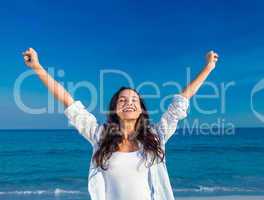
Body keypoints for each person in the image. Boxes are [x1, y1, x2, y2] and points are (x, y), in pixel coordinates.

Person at [22, 47, 218, 200]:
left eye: (134, 100)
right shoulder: (99, 136)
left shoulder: (156, 136)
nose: (129, 103)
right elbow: (70, 103)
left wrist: (208, 67)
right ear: (115, 109)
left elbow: (181, 101)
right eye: (122, 100)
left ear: (141, 109)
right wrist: (38, 68)